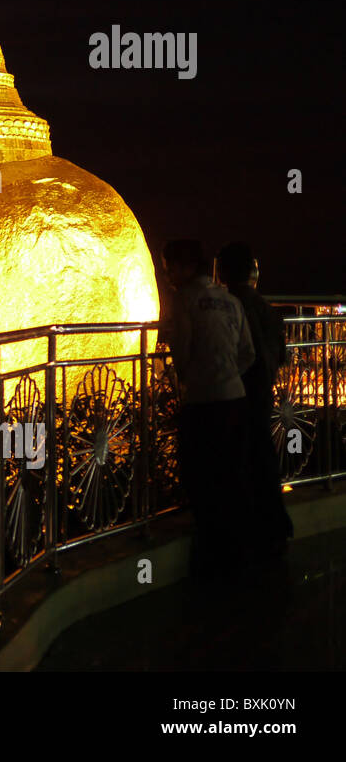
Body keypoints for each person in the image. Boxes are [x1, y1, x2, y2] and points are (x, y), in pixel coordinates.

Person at [162, 239, 256, 577]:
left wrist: (195, 378)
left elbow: (182, 353)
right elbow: (248, 353)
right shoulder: (230, 300)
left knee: (202, 479)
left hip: (203, 403)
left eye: (171, 266)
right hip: (236, 398)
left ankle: (212, 559)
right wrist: (227, 374)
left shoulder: (184, 300)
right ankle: (240, 556)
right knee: (233, 477)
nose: (168, 274)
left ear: (187, 267)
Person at [217, 241, 293, 559]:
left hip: (236, 393)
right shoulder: (266, 308)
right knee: (263, 456)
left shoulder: (228, 307)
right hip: (263, 392)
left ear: (222, 272)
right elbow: (282, 355)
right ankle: (273, 528)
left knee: (240, 460)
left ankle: (246, 533)